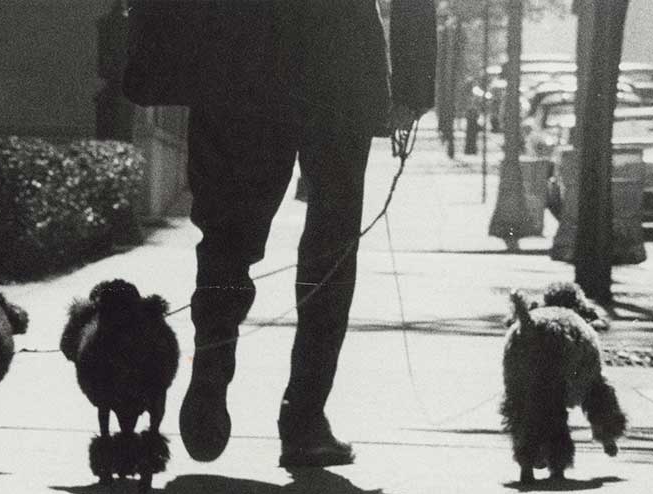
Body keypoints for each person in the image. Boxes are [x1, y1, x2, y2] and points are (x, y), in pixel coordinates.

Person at [138, 1, 437, 467]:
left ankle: (213, 364)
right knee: (331, 242)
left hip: (236, 55)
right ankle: (304, 418)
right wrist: (413, 86)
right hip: (338, 62)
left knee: (226, 233)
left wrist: (165, 50)